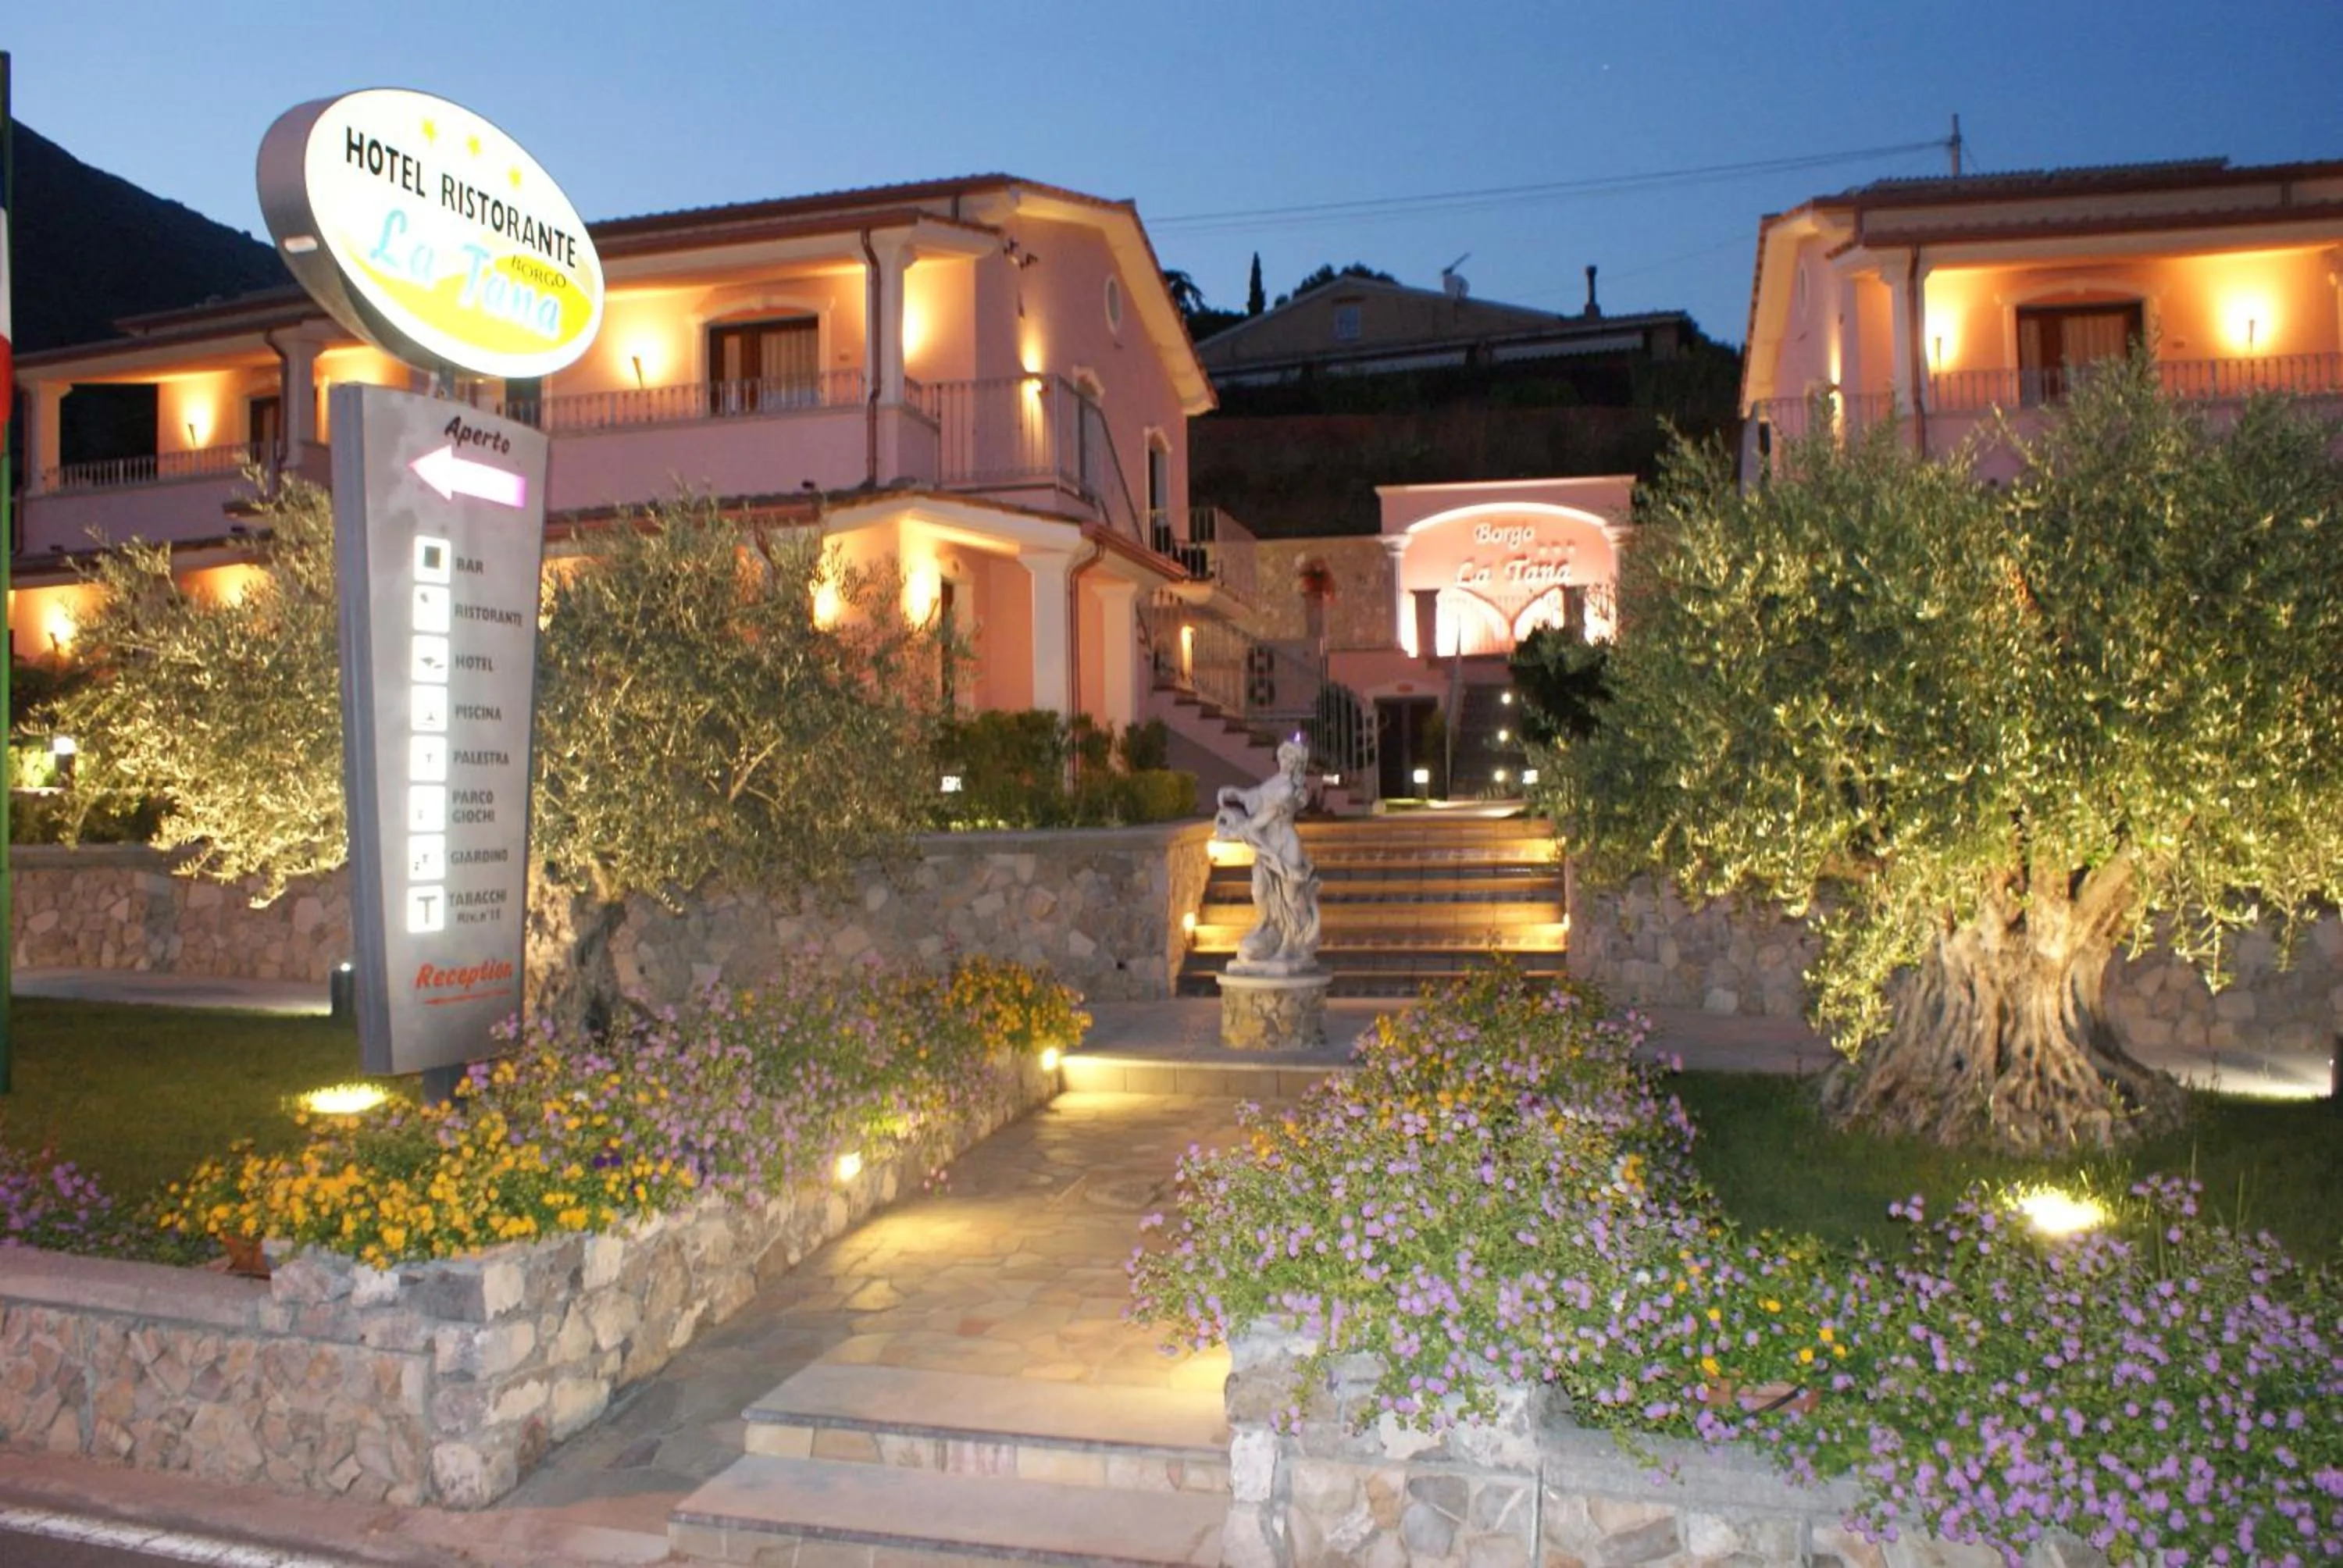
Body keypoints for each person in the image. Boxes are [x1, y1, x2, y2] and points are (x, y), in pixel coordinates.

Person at [1213, 739, 1321, 971]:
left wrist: (1239, 829)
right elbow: (1258, 797)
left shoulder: (1290, 790)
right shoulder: (1276, 782)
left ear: (1297, 765)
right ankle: (1268, 924)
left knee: (1291, 896)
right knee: (1259, 889)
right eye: (1283, 757)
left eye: (1291, 760)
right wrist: (1237, 794)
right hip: (1266, 843)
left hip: (1284, 843)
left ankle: (1291, 941)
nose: (1286, 763)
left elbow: (1264, 817)